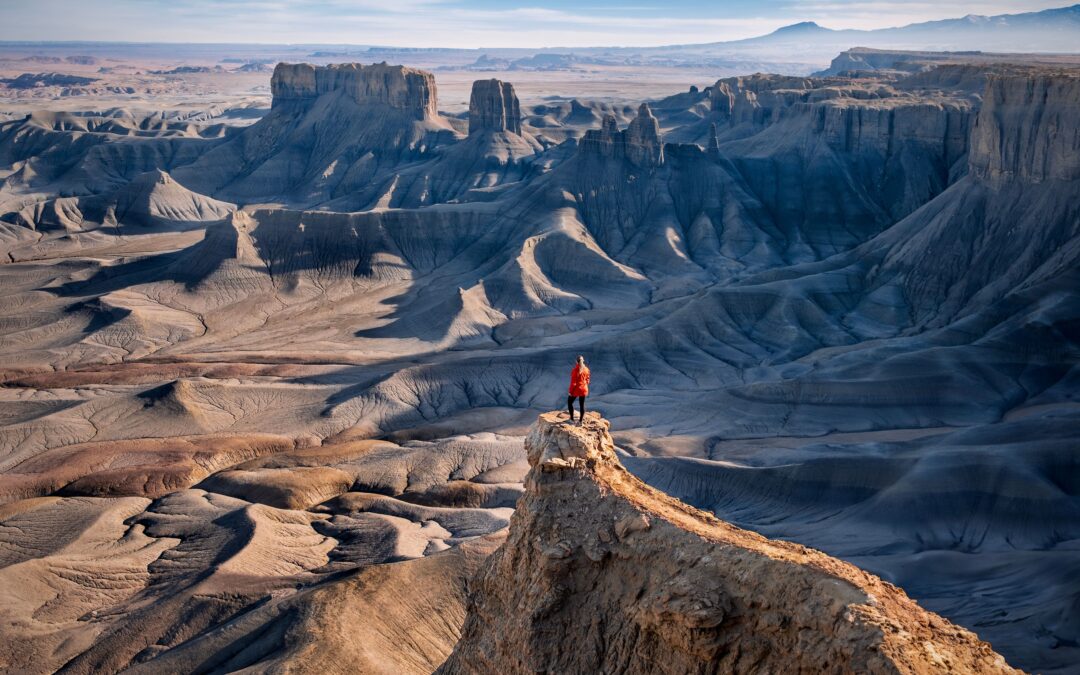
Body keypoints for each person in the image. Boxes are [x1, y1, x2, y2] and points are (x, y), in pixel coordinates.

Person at [567, 355, 590, 423]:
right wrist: (585, 384)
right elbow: (588, 379)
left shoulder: (575, 370)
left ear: (576, 362)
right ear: (583, 361)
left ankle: (571, 419)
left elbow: (573, 383)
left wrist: (570, 392)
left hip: (577, 389)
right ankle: (580, 421)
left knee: (569, 402)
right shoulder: (586, 369)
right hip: (584, 389)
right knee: (582, 405)